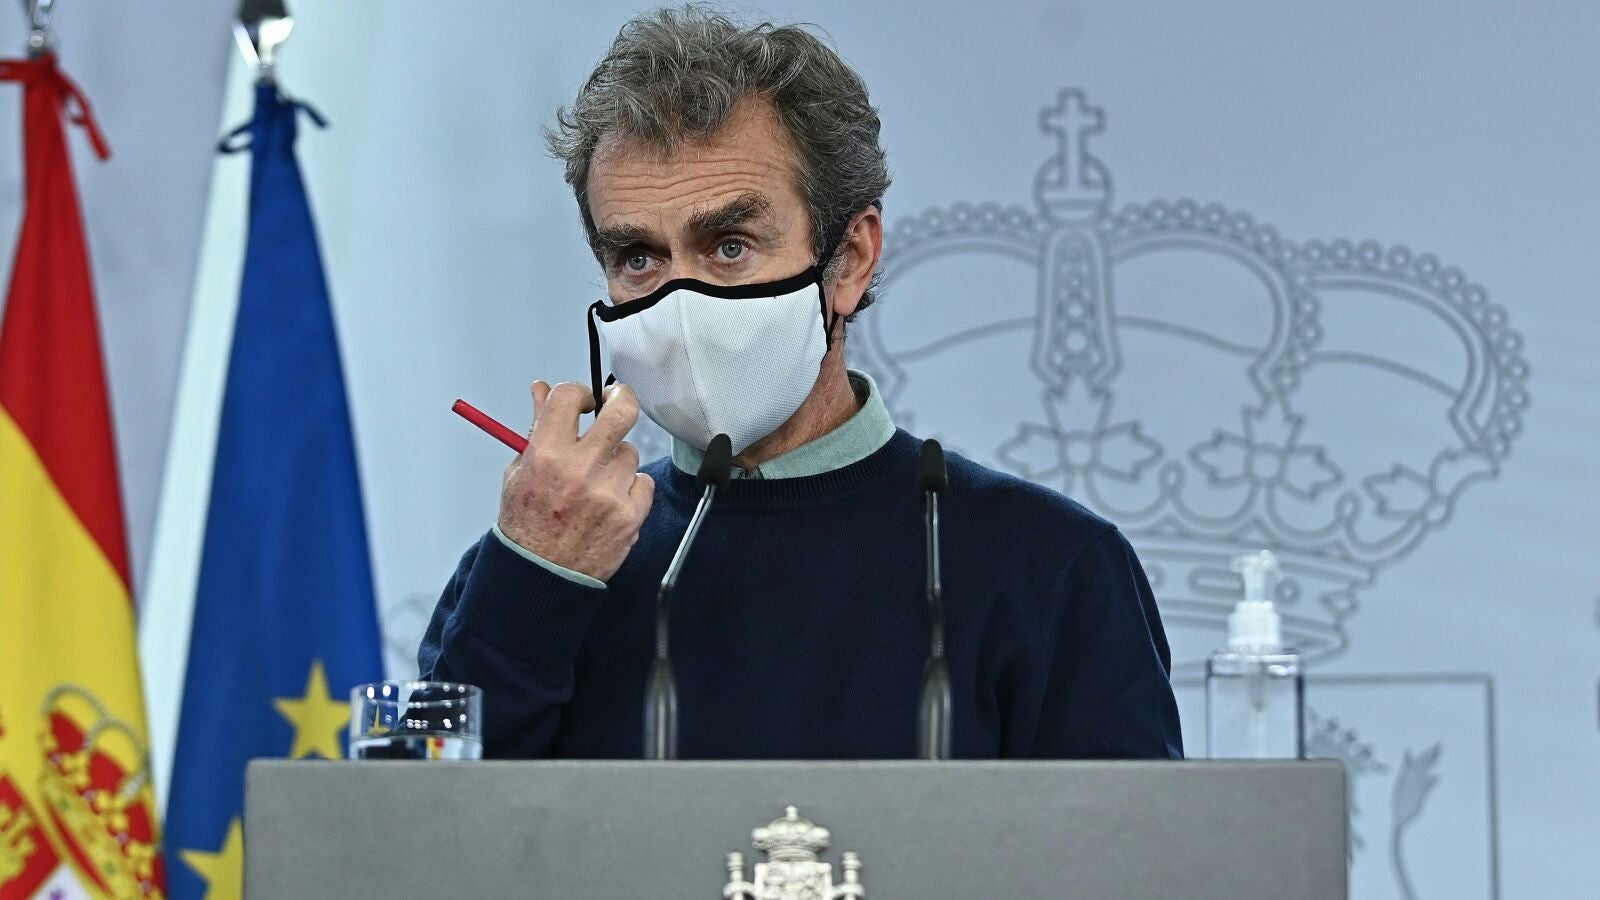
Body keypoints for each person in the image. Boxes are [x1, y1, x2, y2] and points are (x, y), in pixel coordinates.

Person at [418, 5, 1182, 760]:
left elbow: (1126, 839)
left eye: (730, 245)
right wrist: (531, 580)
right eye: (638, 258)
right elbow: (416, 821)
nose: (680, 308)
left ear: (850, 262)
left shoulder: (1050, 566)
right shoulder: (541, 561)